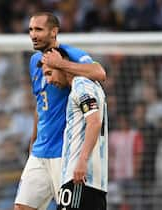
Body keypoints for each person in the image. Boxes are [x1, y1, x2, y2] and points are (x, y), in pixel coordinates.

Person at [14, 12, 106, 210]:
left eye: (39, 29)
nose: (33, 35)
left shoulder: (70, 54)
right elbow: (40, 103)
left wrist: (60, 64)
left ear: (54, 32)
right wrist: (33, 141)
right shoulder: (34, 62)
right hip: (40, 151)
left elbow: (100, 73)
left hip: (63, 153)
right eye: (30, 30)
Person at [42, 48, 108, 210]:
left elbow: (94, 122)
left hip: (79, 180)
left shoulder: (81, 86)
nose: (48, 81)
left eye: (49, 73)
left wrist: (82, 162)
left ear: (62, 66)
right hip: (93, 183)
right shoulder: (91, 85)